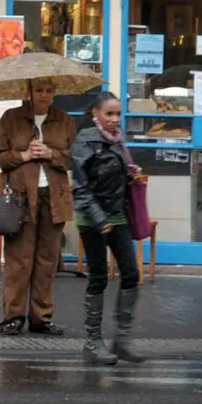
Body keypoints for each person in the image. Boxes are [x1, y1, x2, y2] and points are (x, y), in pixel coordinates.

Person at [0, 78, 76, 336]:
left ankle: (42, 318)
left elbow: (75, 158)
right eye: (38, 90)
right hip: (20, 198)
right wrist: (24, 155)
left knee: (47, 260)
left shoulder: (65, 121)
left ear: (55, 92)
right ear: (28, 92)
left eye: (49, 90)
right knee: (18, 260)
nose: (44, 95)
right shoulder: (11, 118)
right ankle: (13, 317)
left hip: (54, 197)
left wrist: (51, 154)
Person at [71, 91, 145, 365]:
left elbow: (113, 178)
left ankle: (122, 341)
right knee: (99, 277)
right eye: (109, 114)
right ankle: (92, 344)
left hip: (116, 216)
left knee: (130, 273)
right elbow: (80, 187)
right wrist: (98, 218)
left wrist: (130, 174)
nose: (115, 119)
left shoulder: (117, 142)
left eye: (118, 114)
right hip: (93, 219)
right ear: (96, 115)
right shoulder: (85, 142)